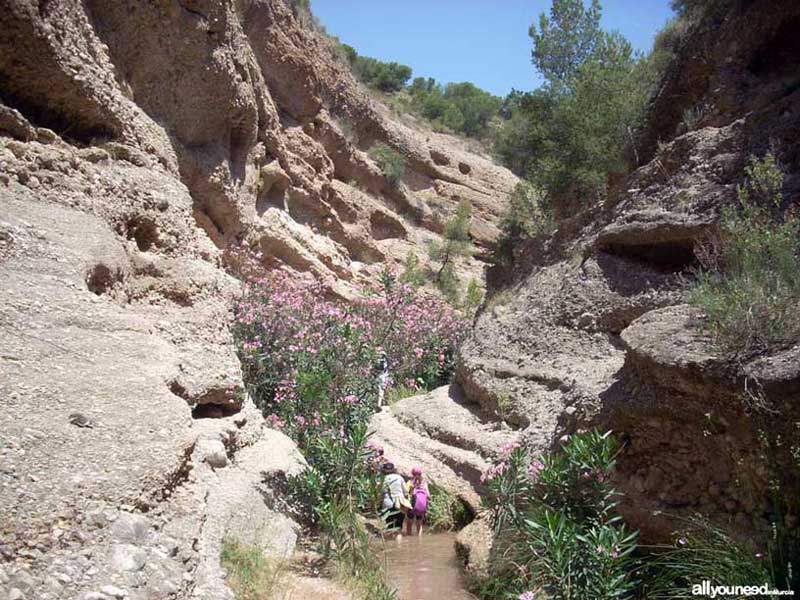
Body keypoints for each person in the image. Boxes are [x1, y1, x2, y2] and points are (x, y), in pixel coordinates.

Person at [381, 462, 410, 537]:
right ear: (393, 469)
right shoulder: (399, 477)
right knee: (398, 527)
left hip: (388, 503)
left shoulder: (383, 479)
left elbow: (381, 492)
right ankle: (399, 545)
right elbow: (406, 491)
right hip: (399, 502)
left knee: (390, 526)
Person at [404, 466, 429, 536]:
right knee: (419, 524)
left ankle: (409, 538)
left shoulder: (410, 482)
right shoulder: (424, 483)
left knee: (409, 524)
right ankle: (419, 539)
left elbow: (406, 493)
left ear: (412, 474)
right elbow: (428, 495)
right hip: (421, 506)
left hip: (411, 505)